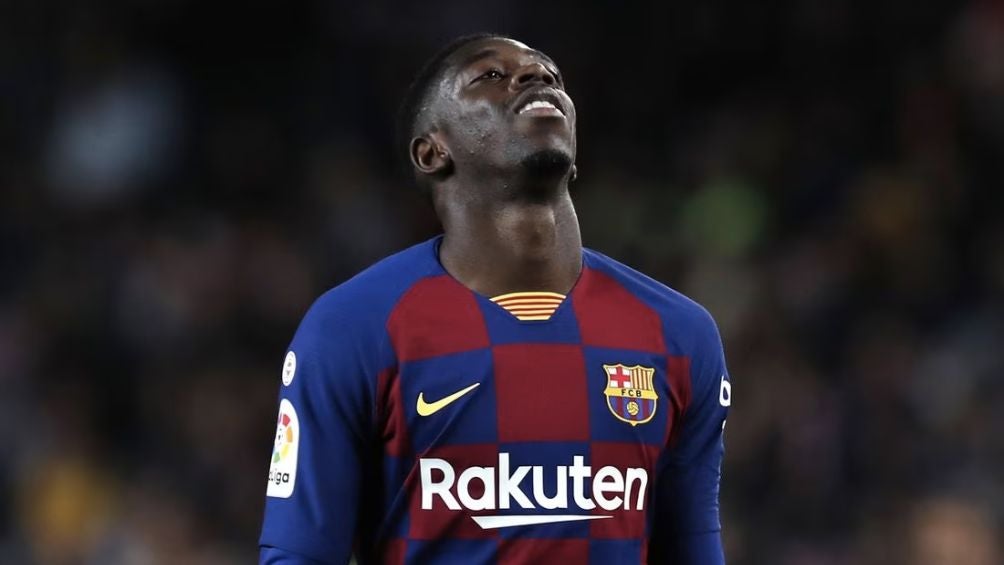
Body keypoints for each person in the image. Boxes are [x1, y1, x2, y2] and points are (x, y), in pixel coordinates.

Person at [259, 33, 732, 564]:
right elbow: (299, 555)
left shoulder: (679, 334)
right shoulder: (353, 327)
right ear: (432, 151)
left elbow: (693, 551)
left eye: (550, 75)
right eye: (490, 76)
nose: (535, 77)